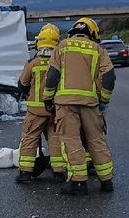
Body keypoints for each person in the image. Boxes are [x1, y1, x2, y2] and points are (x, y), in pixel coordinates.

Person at [43, 17, 116, 195]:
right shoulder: (98, 49)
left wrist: (48, 98)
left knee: (71, 140)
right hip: (91, 104)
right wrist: (103, 101)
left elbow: (52, 75)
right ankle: (106, 180)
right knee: (96, 140)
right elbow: (109, 77)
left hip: (66, 104)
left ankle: (78, 182)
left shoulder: (62, 46)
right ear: (92, 33)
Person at [15, 23, 66, 183]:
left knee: (30, 138)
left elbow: (22, 85)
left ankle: (25, 173)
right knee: (56, 139)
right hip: (54, 110)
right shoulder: (61, 63)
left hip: (35, 111)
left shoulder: (32, 63)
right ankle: (58, 172)